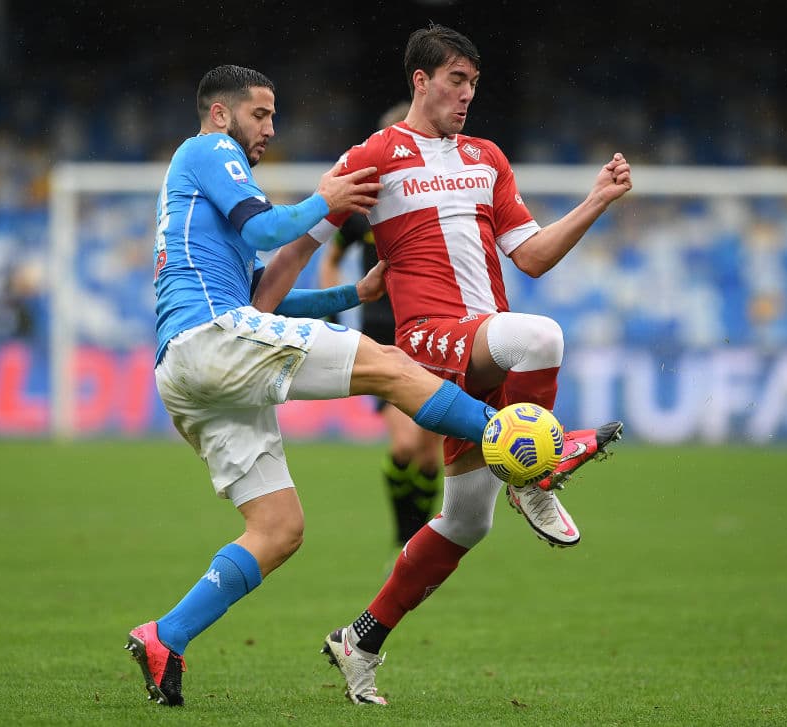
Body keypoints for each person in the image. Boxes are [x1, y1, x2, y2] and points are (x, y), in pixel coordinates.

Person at [125, 64, 523, 708]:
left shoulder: (205, 202)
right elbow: (266, 231)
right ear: (222, 113)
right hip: (213, 338)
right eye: (261, 114)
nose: (270, 128)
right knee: (389, 364)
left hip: (192, 368)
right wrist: (328, 200)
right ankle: (519, 439)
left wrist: (351, 293)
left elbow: (263, 295)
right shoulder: (207, 150)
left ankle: (165, 637)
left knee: (278, 528)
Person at [281, 24, 632, 705]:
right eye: (456, 80)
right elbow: (311, 231)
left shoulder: (487, 158)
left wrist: (596, 200)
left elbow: (528, 256)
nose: (468, 94)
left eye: (474, 83)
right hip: (431, 344)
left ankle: (361, 638)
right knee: (544, 337)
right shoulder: (375, 155)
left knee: (467, 521)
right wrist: (272, 295)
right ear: (420, 80)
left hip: (486, 345)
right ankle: (539, 469)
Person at [318, 101, 444, 550]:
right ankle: (405, 538)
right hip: (384, 334)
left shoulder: (436, 203)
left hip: (432, 331)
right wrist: (334, 306)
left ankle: (418, 544)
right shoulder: (362, 208)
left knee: (430, 453)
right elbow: (329, 259)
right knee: (405, 444)